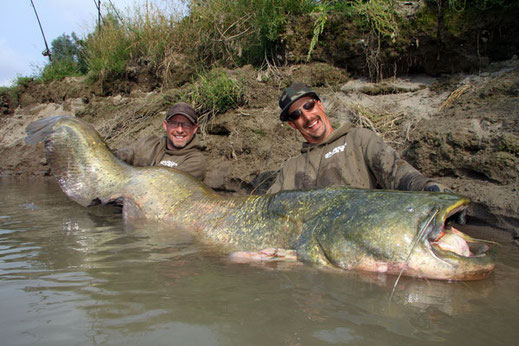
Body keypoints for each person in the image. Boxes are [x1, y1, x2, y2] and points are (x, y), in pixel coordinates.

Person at [267, 83, 451, 194]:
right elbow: (263, 209)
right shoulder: (290, 169)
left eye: (309, 106)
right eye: (297, 114)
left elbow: (397, 173)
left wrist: (429, 188)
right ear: (292, 124)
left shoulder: (359, 139)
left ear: (320, 105)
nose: (307, 117)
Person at [115, 102, 206, 180]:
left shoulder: (195, 161)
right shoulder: (149, 143)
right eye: (174, 124)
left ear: (194, 129)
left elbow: (164, 186)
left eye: (186, 125)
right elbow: (120, 156)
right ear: (165, 125)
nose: (179, 130)